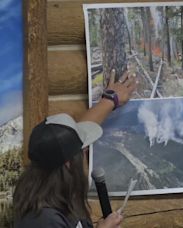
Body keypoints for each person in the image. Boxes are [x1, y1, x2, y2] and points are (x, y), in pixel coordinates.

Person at [13, 70, 136, 228]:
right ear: (68, 163)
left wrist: (111, 99)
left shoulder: (48, 191)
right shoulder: (43, 220)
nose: (85, 155)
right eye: (83, 152)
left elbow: (68, 140)